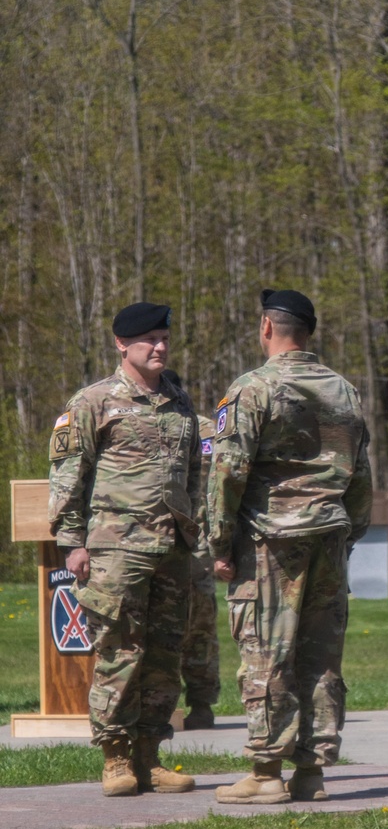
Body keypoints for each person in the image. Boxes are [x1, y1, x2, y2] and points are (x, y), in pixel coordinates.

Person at [208, 289, 372, 804]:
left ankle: (265, 772)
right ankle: (313, 772)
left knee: (266, 652)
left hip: (272, 540)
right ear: (307, 332)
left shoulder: (253, 388)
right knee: (320, 655)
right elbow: (361, 471)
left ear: (266, 328)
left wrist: (218, 539)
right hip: (330, 533)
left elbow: (228, 472)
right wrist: (352, 528)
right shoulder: (343, 390)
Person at [48, 302, 202, 797]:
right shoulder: (94, 402)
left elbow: (193, 475)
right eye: (149, 340)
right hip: (116, 551)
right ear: (121, 344)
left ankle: (150, 756)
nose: (159, 347)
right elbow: (69, 477)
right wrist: (72, 543)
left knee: (163, 655)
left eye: (164, 339)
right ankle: (115, 756)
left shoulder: (180, 401)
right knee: (119, 651)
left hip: (172, 550)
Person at [161, 369, 222, 732]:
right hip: (157, 543)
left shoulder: (206, 429)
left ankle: (201, 703)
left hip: (198, 546)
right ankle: (160, 706)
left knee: (199, 628)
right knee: (163, 627)